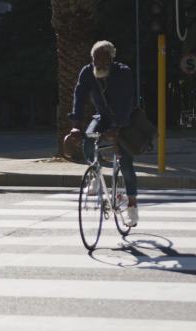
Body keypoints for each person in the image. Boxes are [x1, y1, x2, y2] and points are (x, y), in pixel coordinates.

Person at [64, 40, 138, 227]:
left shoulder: (123, 72)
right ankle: (96, 175)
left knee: (126, 163)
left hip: (125, 119)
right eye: (95, 59)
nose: (98, 63)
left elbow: (128, 101)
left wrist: (118, 127)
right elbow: (79, 97)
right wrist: (75, 125)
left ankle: (132, 205)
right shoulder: (88, 72)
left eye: (102, 59)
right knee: (88, 140)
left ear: (111, 58)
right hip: (103, 117)